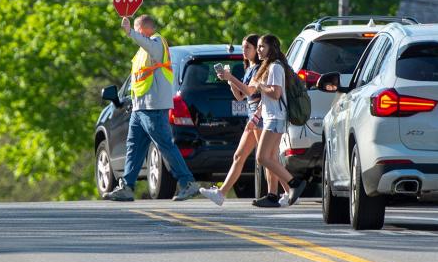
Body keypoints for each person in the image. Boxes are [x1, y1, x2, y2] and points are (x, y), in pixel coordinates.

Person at [103, 15, 201, 202]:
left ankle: (188, 183)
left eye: (139, 30)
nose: (137, 34)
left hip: (154, 106)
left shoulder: (157, 42)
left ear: (146, 29)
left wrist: (129, 32)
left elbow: (151, 49)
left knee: (164, 144)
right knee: (134, 147)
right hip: (140, 107)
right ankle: (127, 187)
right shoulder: (142, 51)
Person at [199, 34, 278, 206]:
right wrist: (229, 82)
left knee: (266, 158)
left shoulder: (260, 68)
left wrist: (231, 78)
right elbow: (240, 97)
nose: (244, 50)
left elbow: (251, 92)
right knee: (240, 155)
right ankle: (221, 194)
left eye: (247, 48)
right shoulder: (249, 68)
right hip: (252, 117)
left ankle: (283, 192)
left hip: (260, 116)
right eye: (243, 47)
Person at [249, 34, 306, 208]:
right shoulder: (270, 67)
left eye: (262, 47)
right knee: (272, 157)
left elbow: (276, 93)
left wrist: (260, 86)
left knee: (262, 157)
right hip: (270, 117)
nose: (259, 50)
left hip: (276, 118)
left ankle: (294, 183)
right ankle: (272, 196)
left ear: (271, 48)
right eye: (258, 47)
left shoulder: (275, 67)